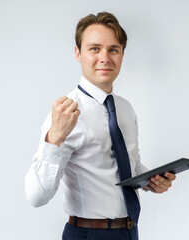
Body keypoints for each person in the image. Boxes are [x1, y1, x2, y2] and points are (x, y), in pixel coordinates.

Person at [25, 11, 176, 240]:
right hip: (88, 234)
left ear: (122, 54)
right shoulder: (65, 114)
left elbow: (130, 166)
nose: (105, 58)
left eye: (113, 49)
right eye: (94, 49)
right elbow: (36, 196)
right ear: (78, 53)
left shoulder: (125, 109)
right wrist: (54, 137)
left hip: (130, 232)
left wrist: (151, 181)